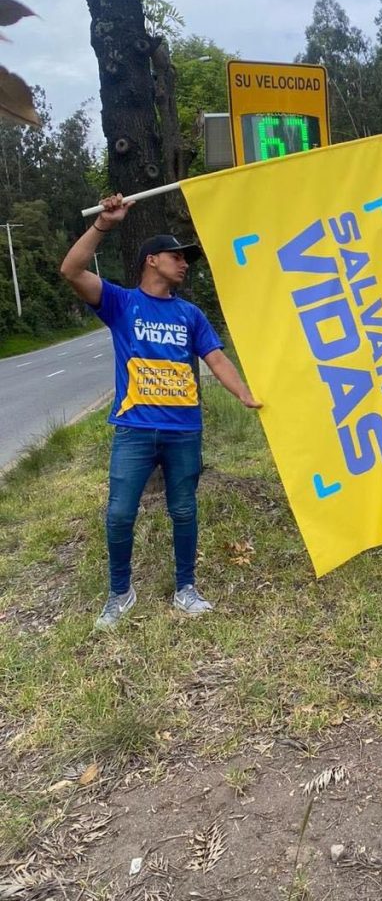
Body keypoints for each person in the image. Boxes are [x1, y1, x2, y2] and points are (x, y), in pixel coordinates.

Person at [59, 193, 262, 630]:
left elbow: (216, 359)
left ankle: (186, 588)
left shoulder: (190, 314)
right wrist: (105, 224)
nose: (185, 264)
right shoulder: (121, 303)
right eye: (177, 256)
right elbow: (71, 270)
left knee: (184, 510)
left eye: (186, 258)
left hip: (183, 430)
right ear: (152, 260)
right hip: (134, 429)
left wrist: (244, 393)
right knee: (119, 513)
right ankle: (120, 593)